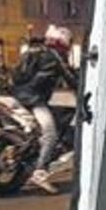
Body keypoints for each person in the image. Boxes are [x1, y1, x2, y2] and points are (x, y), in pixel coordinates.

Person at [12, 25, 78, 194]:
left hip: (17, 96)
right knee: (50, 135)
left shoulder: (31, 51)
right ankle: (40, 173)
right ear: (62, 43)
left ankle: (30, 159)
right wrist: (83, 89)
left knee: (44, 125)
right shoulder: (55, 57)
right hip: (34, 100)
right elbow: (70, 78)